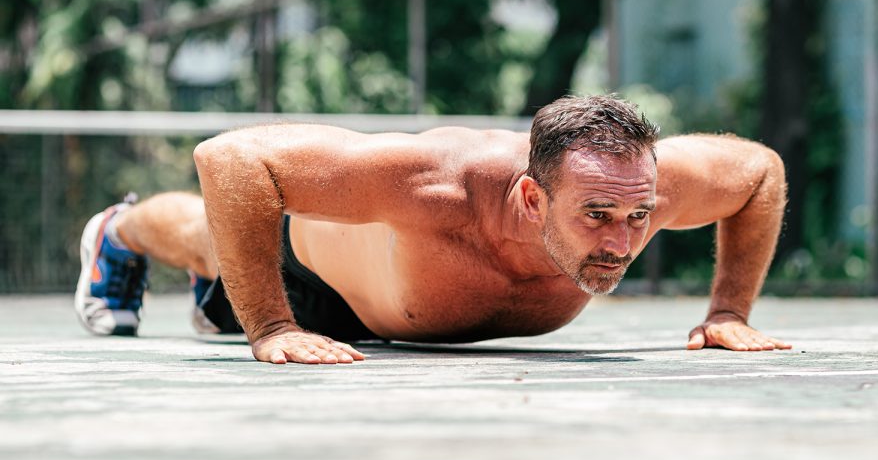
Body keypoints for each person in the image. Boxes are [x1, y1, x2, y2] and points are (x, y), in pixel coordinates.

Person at [74, 95, 792, 364]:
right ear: (531, 199)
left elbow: (758, 172)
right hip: (313, 279)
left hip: (380, 317)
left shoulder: (640, 188)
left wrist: (728, 310)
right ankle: (118, 232)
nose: (621, 239)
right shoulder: (439, 183)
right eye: (596, 217)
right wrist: (270, 324)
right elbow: (230, 159)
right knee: (207, 236)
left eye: (637, 217)